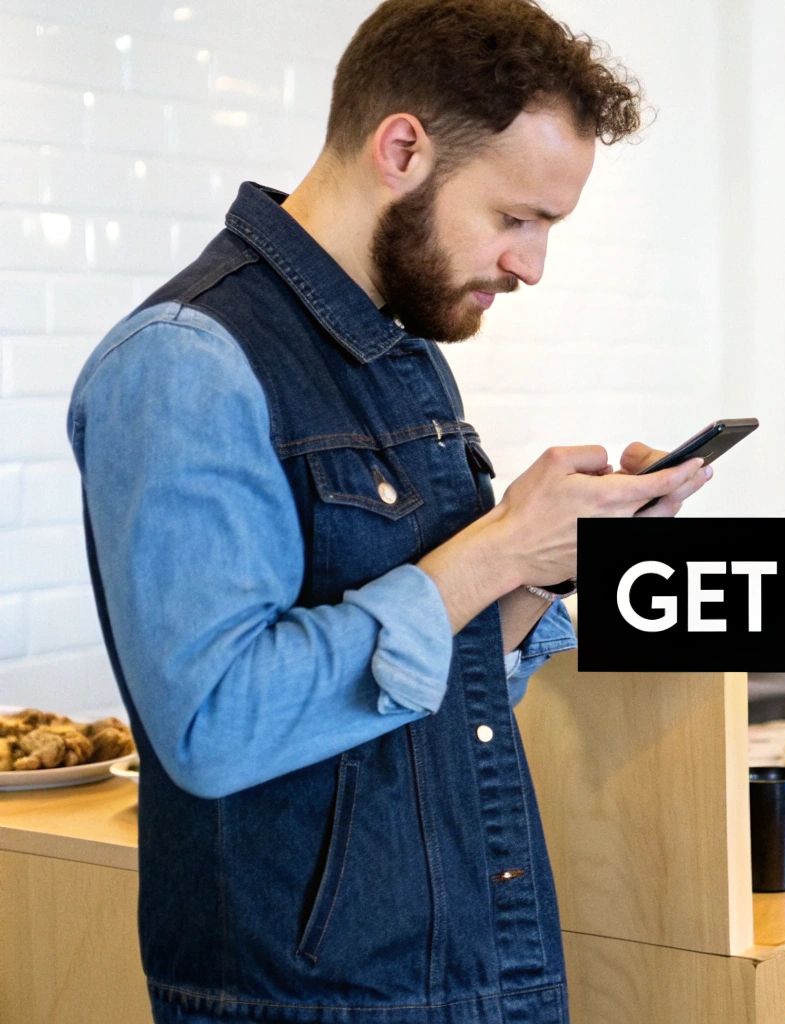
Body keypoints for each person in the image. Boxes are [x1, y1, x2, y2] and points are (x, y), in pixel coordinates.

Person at [65, 2, 707, 1020]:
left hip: (473, 967)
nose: (531, 265)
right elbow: (215, 724)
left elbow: (438, 680)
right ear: (401, 148)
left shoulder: (402, 355)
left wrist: (548, 566)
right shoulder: (184, 361)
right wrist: (492, 551)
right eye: (516, 218)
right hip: (312, 1000)